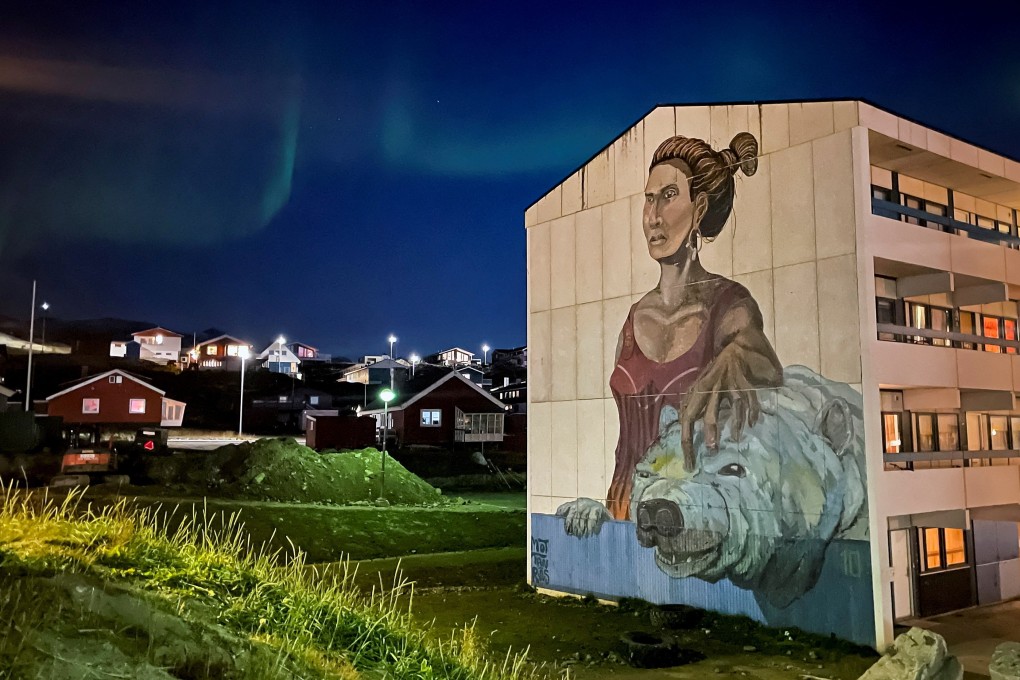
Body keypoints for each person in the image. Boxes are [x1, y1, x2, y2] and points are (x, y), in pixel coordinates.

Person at [604, 132, 783, 520]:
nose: (653, 216)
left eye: (668, 196)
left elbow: (762, 361)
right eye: (649, 199)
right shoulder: (634, 319)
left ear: (699, 208)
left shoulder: (727, 304)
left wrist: (733, 359)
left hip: (688, 517)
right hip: (621, 513)